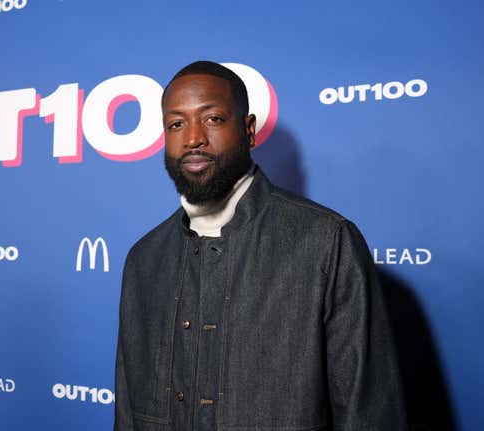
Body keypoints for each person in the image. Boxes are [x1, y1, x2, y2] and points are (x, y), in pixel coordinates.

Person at [114, 61, 406, 431]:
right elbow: (128, 409)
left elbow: (369, 415)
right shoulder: (144, 259)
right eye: (176, 124)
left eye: (213, 119)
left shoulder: (326, 241)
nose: (192, 139)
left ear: (248, 131)